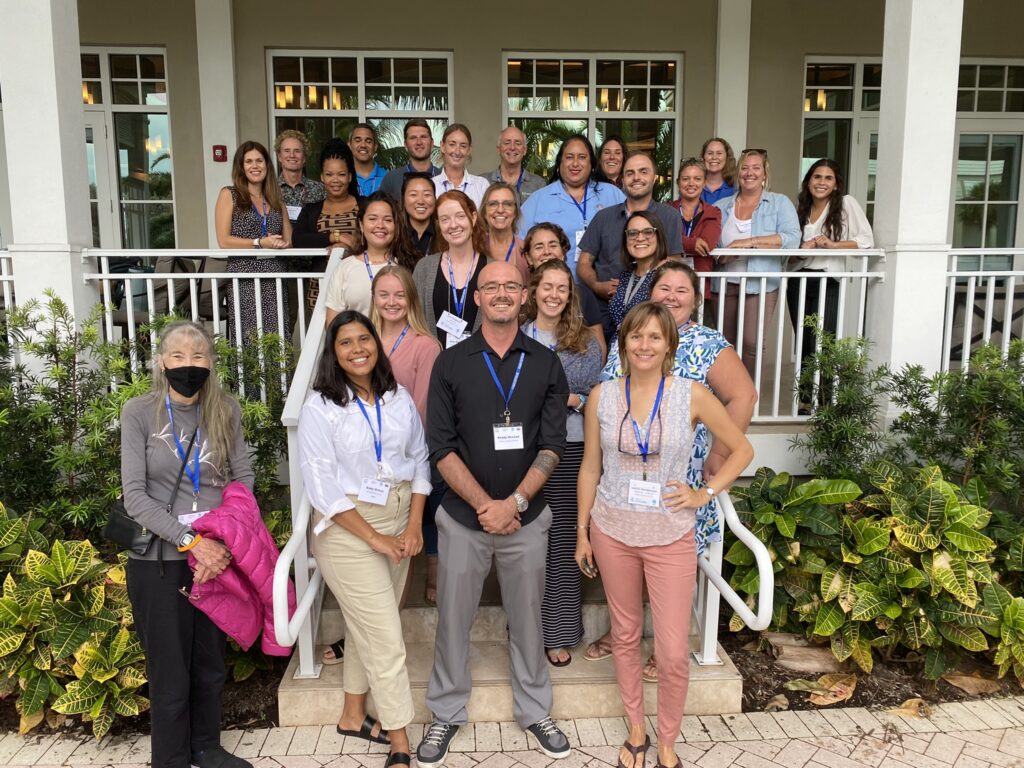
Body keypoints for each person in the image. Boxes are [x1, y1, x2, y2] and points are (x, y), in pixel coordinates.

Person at [575, 303, 753, 768]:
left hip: (671, 533)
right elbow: (591, 465)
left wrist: (704, 493)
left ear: (669, 345)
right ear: (624, 344)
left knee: (673, 651)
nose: (645, 346)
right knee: (627, 632)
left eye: (655, 337)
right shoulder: (602, 396)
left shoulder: (691, 395)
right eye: (636, 337)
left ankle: (668, 740)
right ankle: (637, 729)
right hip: (612, 529)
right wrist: (582, 530)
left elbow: (742, 448)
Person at [417, 260, 572, 768]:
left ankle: (534, 709)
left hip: (527, 519)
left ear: (524, 296)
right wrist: (487, 506)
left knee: (528, 619)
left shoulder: (546, 364)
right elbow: (440, 446)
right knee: (453, 620)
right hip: (464, 519)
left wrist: (515, 505)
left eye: (511, 285)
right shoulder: (452, 362)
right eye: (491, 286)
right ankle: (445, 713)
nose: (502, 293)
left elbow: (552, 445)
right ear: (477, 298)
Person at [298, 310, 430, 768]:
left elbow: (420, 462)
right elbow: (323, 490)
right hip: (349, 529)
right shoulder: (320, 406)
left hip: (398, 522)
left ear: (377, 343)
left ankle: (353, 715)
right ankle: (400, 739)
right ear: (333, 354)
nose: (358, 349)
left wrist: (414, 525)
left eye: (364, 339)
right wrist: (374, 537)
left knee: (366, 626)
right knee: (387, 637)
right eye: (346, 343)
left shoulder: (398, 398)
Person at [121, 321, 256, 768]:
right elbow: (135, 497)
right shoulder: (139, 412)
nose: (188, 364)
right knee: (170, 673)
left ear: (211, 363)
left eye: (198, 356)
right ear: (161, 362)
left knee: (210, 664)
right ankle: (172, 758)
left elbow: (243, 478)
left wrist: (223, 541)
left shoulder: (226, 410)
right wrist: (191, 542)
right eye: (178, 356)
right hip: (161, 561)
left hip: (216, 559)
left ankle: (206, 748)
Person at [520, 260, 603, 667]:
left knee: (563, 543)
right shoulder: (515, 336)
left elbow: (597, 398)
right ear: (533, 290)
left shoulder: (585, 342)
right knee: (524, 546)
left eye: (562, 288)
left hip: (570, 451)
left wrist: (569, 399)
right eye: (546, 286)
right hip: (521, 453)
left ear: (570, 295)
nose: (554, 294)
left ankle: (558, 632)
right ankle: (524, 631)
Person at [789, 159, 874, 405]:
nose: (822, 182)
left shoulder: (846, 204)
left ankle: (825, 399)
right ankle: (805, 400)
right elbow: (793, 252)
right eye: (817, 177)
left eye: (828, 178)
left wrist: (834, 245)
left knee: (824, 339)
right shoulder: (801, 209)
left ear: (836, 185)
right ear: (808, 182)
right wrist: (802, 250)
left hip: (828, 278)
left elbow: (865, 240)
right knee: (803, 339)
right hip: (798, 278)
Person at [713, 148, 801, 379]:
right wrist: (722, 255)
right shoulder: (722, 206)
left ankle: (749, 398)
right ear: (738, 172)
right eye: (744, 167)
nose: (749, 172)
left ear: (764, 174)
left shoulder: (779, 203)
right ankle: (728, 397)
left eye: (755, 168)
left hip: (760, 282)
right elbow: (712, 245)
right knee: (725, 343)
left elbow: (792, 238)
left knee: (751, 343)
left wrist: (750, 242)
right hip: (724, 282)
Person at [576, 152, 683, 340]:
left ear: (654, 178)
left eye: (643, 172)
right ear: (622, 181)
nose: (636, 178)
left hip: (649, 309)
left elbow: (674, 261)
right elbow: (583, 262)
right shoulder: (603, 217)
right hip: (602, 307)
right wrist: (597, 285)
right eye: (630, 173)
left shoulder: (670, 216)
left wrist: (637, 284)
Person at [214, 140, 292, 343]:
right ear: (241, 166)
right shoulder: (229, 194)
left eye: (259, 160)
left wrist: (281, 244)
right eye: (248, 161)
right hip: (244, 275)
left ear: (267, 165)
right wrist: (259, 242)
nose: (255, 166)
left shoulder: (276, 198)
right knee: (248, 337)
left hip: (275, 273)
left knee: (277, 337)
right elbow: (223, 241)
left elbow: (288, 240)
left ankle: (278, 378)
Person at [518, 134, 625, 274]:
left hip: (606, 288)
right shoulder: (538, 199)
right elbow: (520, 246)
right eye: (569, 157)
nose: (575, 163)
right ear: (559, 163)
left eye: (582, 157)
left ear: (591, 163)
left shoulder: (613, 194)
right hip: (555, 289)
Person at [324, 193, 420, 325]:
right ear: (361, 225)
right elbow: (332, 323)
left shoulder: (410, 265)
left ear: (396, 226)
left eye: (387, 220)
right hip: (358, 344)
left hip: (401, 344)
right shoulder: (345, 267)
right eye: (372, 219)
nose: (380, 225)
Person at [292, 140, 361, 316]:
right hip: (320, 287)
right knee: (321, 340)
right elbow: (298, 240)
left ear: (350, 176)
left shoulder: (365, 205)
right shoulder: (312, 209)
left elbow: (373, 238)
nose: (335, 180)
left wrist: (349, 246)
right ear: (322, 177)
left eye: (341, 174)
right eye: (329, 174)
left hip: (357, 284)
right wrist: (335, 237)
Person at [411, 190, 487, 347]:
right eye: (445, 219)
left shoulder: (492, 268)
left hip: (482, 365)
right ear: (439, 224)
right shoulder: (424, 268)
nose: (453, 225)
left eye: (460, 216)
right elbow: (414, 321)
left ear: (473, 218)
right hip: (435, 364)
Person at [522, 222, 607, 361]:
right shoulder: (520, 297)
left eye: (553, 245)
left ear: (563, 252)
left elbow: (599, 349)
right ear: (528, 257)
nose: (547, 251)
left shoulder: (583, 295)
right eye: (539, 247)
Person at [608, 211, 670, 331]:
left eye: (648, 232)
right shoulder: (626, 275)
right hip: (619, 346)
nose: (640, 238)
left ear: (659, 236)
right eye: (633, 233)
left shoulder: (668, 274)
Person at [671, 158, 722, 296]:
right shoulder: (666, 209)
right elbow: (662, 239)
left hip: (699, 284)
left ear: (704, 183)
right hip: (669, 281)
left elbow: (707, 244)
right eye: (685, 179)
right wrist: (692, 243)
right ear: (678, 182)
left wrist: (676, 242)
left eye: (697, 179)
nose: (691, 183)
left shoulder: (713, 212)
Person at [480, 182, 531, 285]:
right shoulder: (474, 247)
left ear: (515, 212)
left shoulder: (527, 250)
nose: (500, 210)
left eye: (507, 204)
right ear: (485, 212)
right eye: (493, 204)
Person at [480, 126, 545, 202]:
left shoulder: (538, 185)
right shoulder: (482, 182)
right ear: (498, 149)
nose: (512, 147)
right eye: (507, 143)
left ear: (524, 150)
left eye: (518, 143)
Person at [380, 119, 440, 202]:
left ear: (432, 142)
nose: (419, 142)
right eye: (413, 138)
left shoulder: (444, 177)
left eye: (423, 137)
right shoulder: (392, 179)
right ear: (405, 145)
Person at [432, 123, 489, 208]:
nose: (457, 151)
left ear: (469, 150)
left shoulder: (481, 185)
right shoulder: (432, 185)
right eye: (452, 144)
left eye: (463, 146)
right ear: (443, 146)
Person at [275, 129, 325, 225]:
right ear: (279, 156)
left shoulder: (319, 189)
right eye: (286, 151)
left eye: (297, 151)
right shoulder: (269, 189)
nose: (292, 155)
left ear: (305, 157)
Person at [402, 172, 438, 257]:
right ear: (403, 200)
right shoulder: (394, 233)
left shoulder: (445, 232)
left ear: (435, 199)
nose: (421, 201)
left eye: (427, 194)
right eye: (413, 195)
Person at [349, 123, 387, 197]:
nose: (363, 145)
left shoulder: (387, 178)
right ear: (349, 145)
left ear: (375, 147)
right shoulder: (343, 177)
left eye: (368, 141)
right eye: (357, 140)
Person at [700, 137, 737, 205]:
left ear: (727, 158)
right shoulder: (693, 187)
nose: (714, 157)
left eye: (719, 153)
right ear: (703, 158)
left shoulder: (736, 190)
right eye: (710, 153)